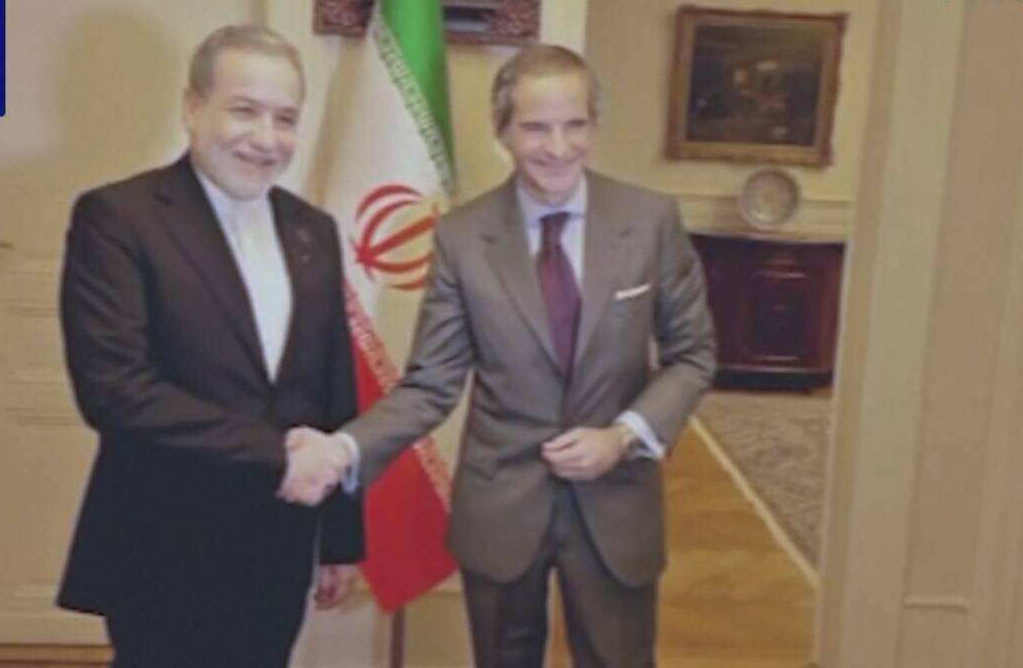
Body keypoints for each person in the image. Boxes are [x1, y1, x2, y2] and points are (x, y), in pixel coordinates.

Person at [279, 44, 716, 666]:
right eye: (536, 128)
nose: (558, 147)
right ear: (502, 131)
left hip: (618, 505)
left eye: (575, 125)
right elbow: (430, 384)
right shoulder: (462, 238)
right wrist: (343, 449)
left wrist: (624, 436)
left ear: (594, 125)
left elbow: (693, 355)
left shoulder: (651, 221)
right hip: (501, 508)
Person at [55, 24, 363, 667]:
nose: (266, 138)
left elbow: (334, 389)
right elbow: (115, 391)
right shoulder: (119, 218)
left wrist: (339, 538)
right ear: (193, 108)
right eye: (244, 110)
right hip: (163, 542)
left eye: (285, 118)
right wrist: (277, 456)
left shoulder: (313, 230)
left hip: (279, 542)